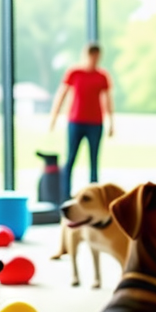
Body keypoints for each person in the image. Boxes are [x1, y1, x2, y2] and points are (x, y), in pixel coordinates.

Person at [49, 43, 114, 199]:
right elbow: (62, 94)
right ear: (86, 55)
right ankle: (65, 197)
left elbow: (107, 100)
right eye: (92, 56)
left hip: (95, 123)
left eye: (97, 57)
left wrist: (111, 122)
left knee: (93, 160)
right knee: (70, 158)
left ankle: (94, 196)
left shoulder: (102, 76)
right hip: (76, 121)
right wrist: (54, 117)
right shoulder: (74, 73)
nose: (94, 60)